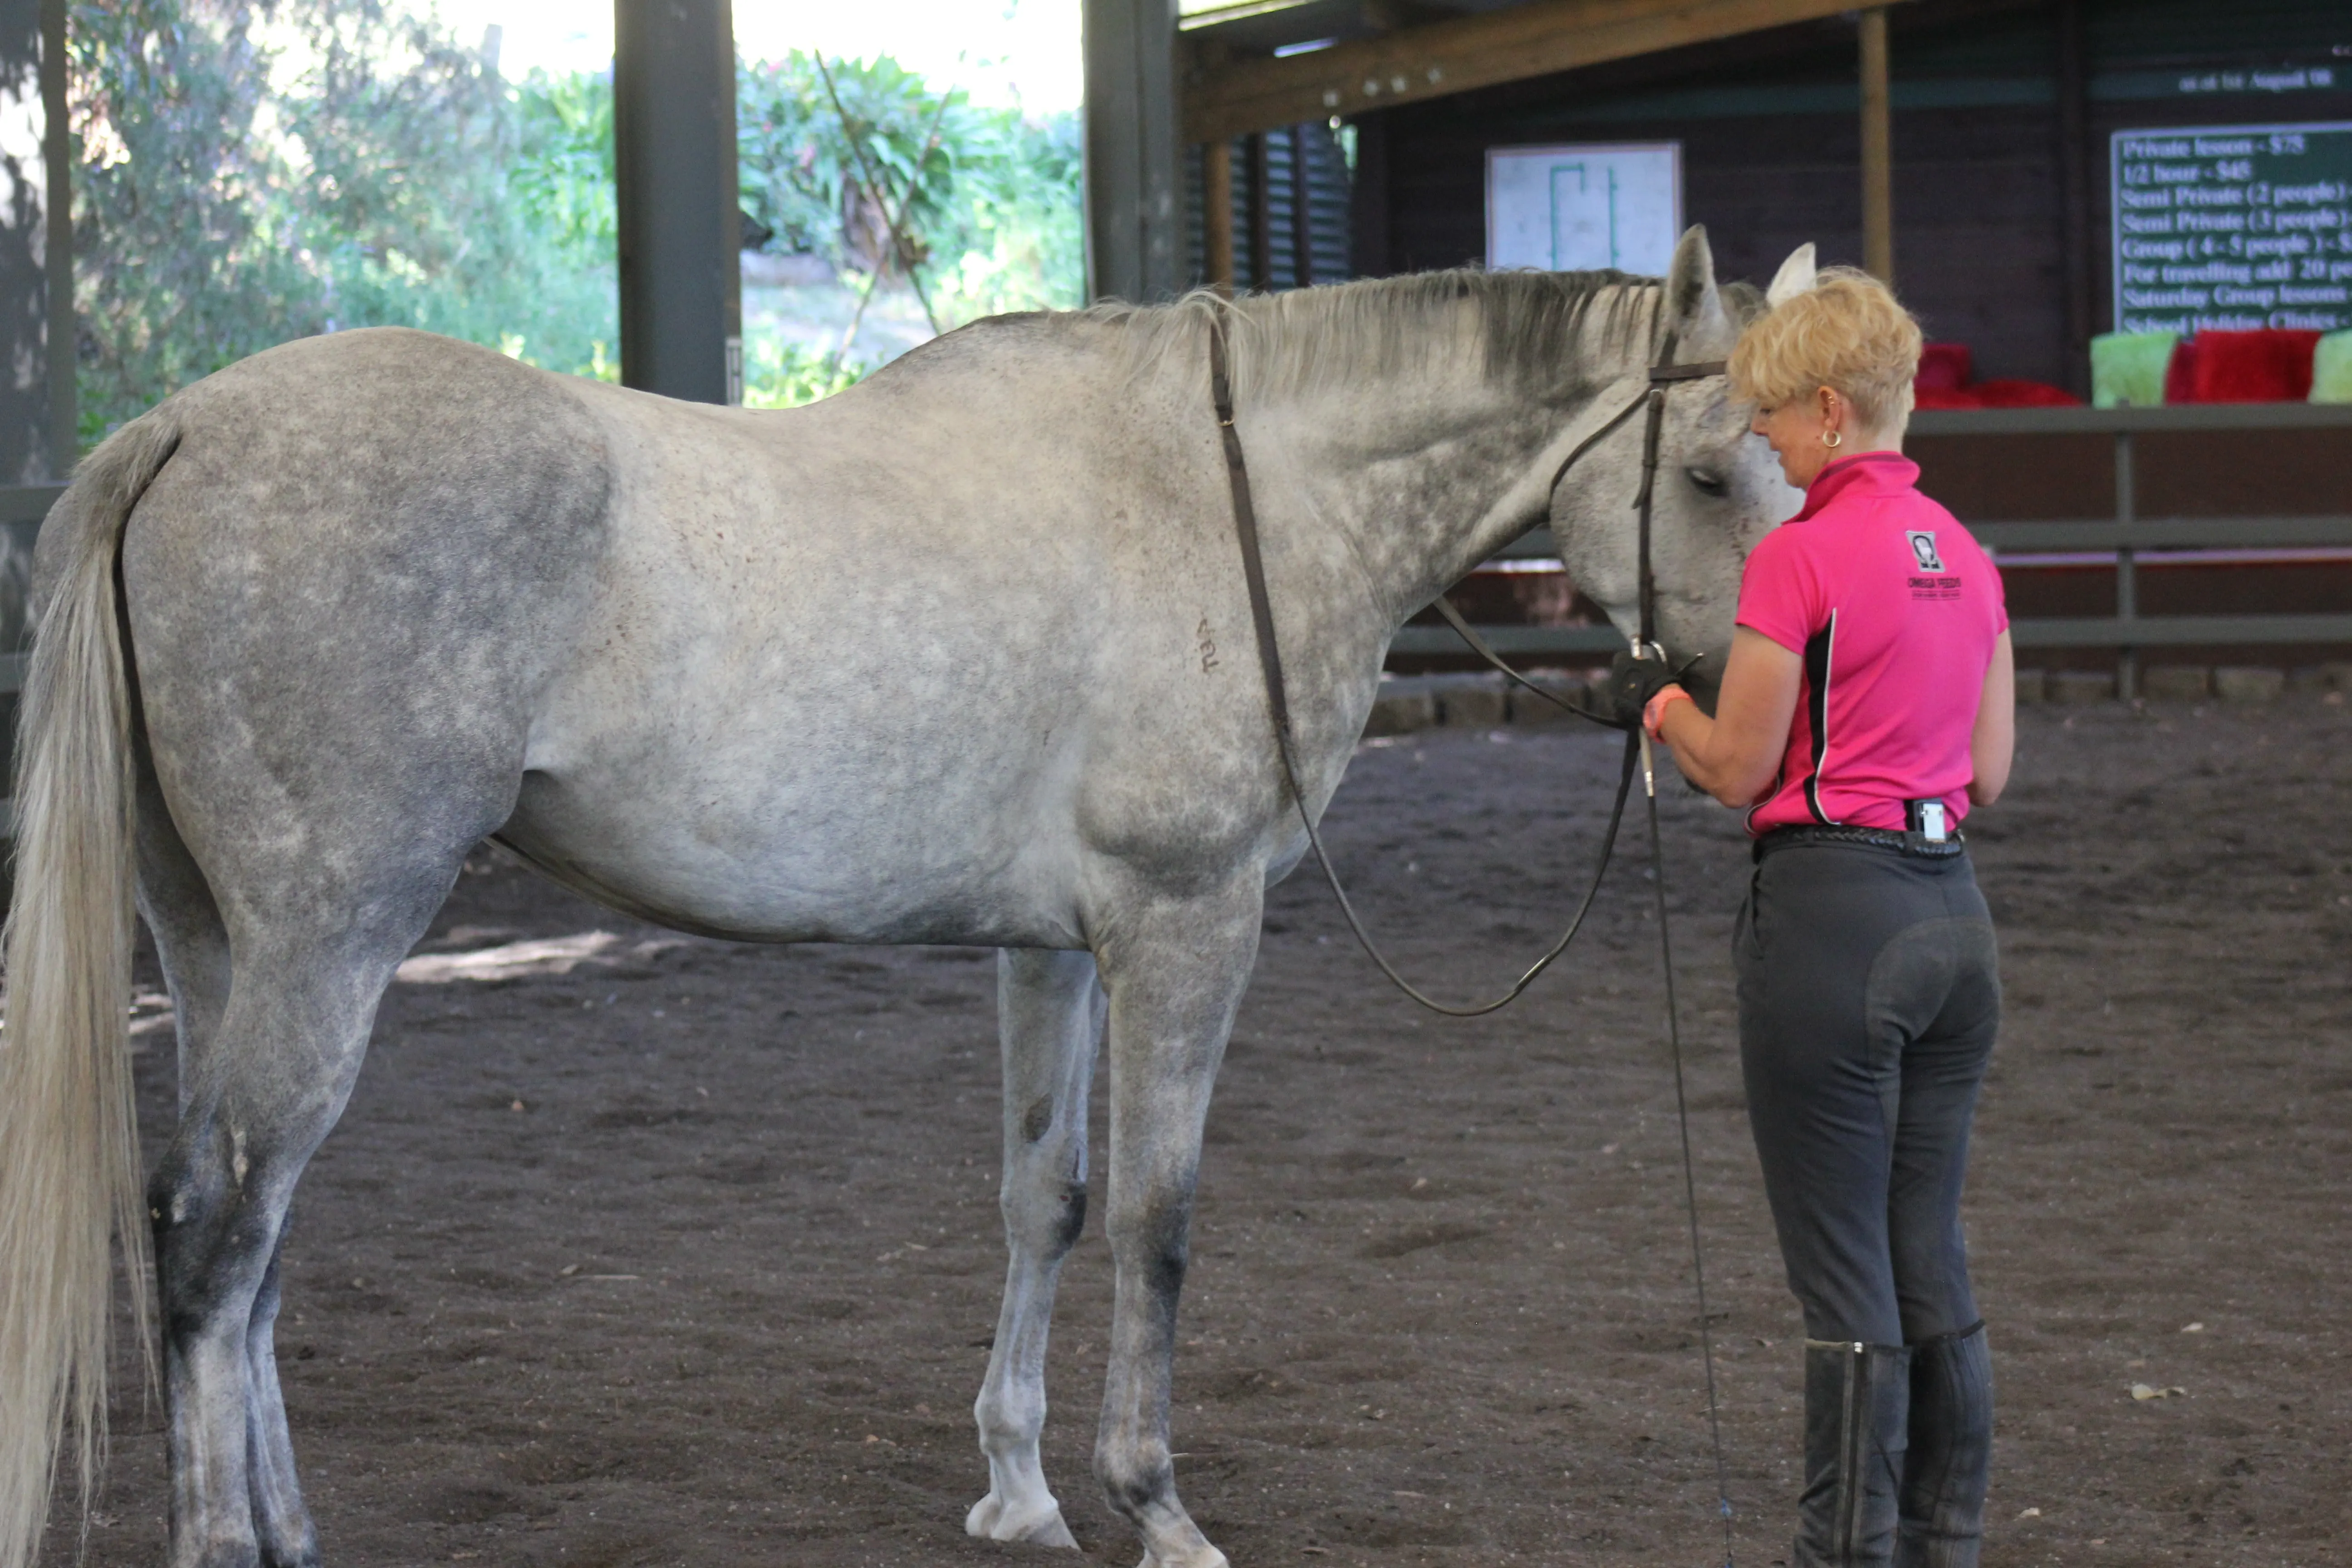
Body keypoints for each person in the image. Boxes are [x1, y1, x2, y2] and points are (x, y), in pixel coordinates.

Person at [1610, 268, 2014, 1567]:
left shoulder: (1798, 558)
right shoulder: (1970, 555)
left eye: (1776, 416)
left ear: (1832, 411)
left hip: (1835, 927)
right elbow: (1989, 776)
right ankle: (1940, 1546)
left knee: (1844, 1288)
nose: (1764, 440)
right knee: (1926, 1261)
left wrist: (1660, 704)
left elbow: (1736, 767)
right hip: (1954, 923)